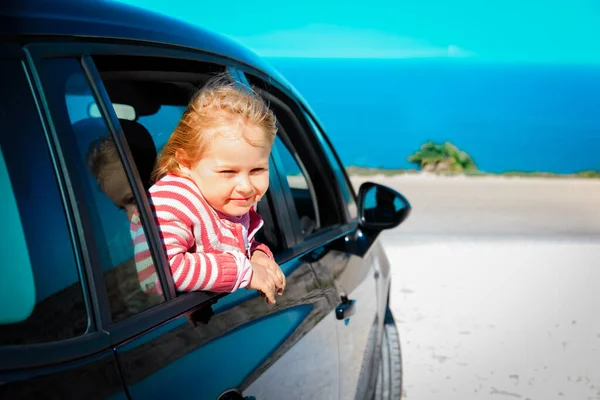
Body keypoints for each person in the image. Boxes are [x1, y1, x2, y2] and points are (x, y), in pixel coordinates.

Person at [141, 74, 285, 304]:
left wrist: (257, 255)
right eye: (228, 172)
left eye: (257, 170)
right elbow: (162, 272)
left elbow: (228, 244)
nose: (246, 187)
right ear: (185, 163)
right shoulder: (174, 201)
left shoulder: (224, 198)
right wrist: (245, 272)